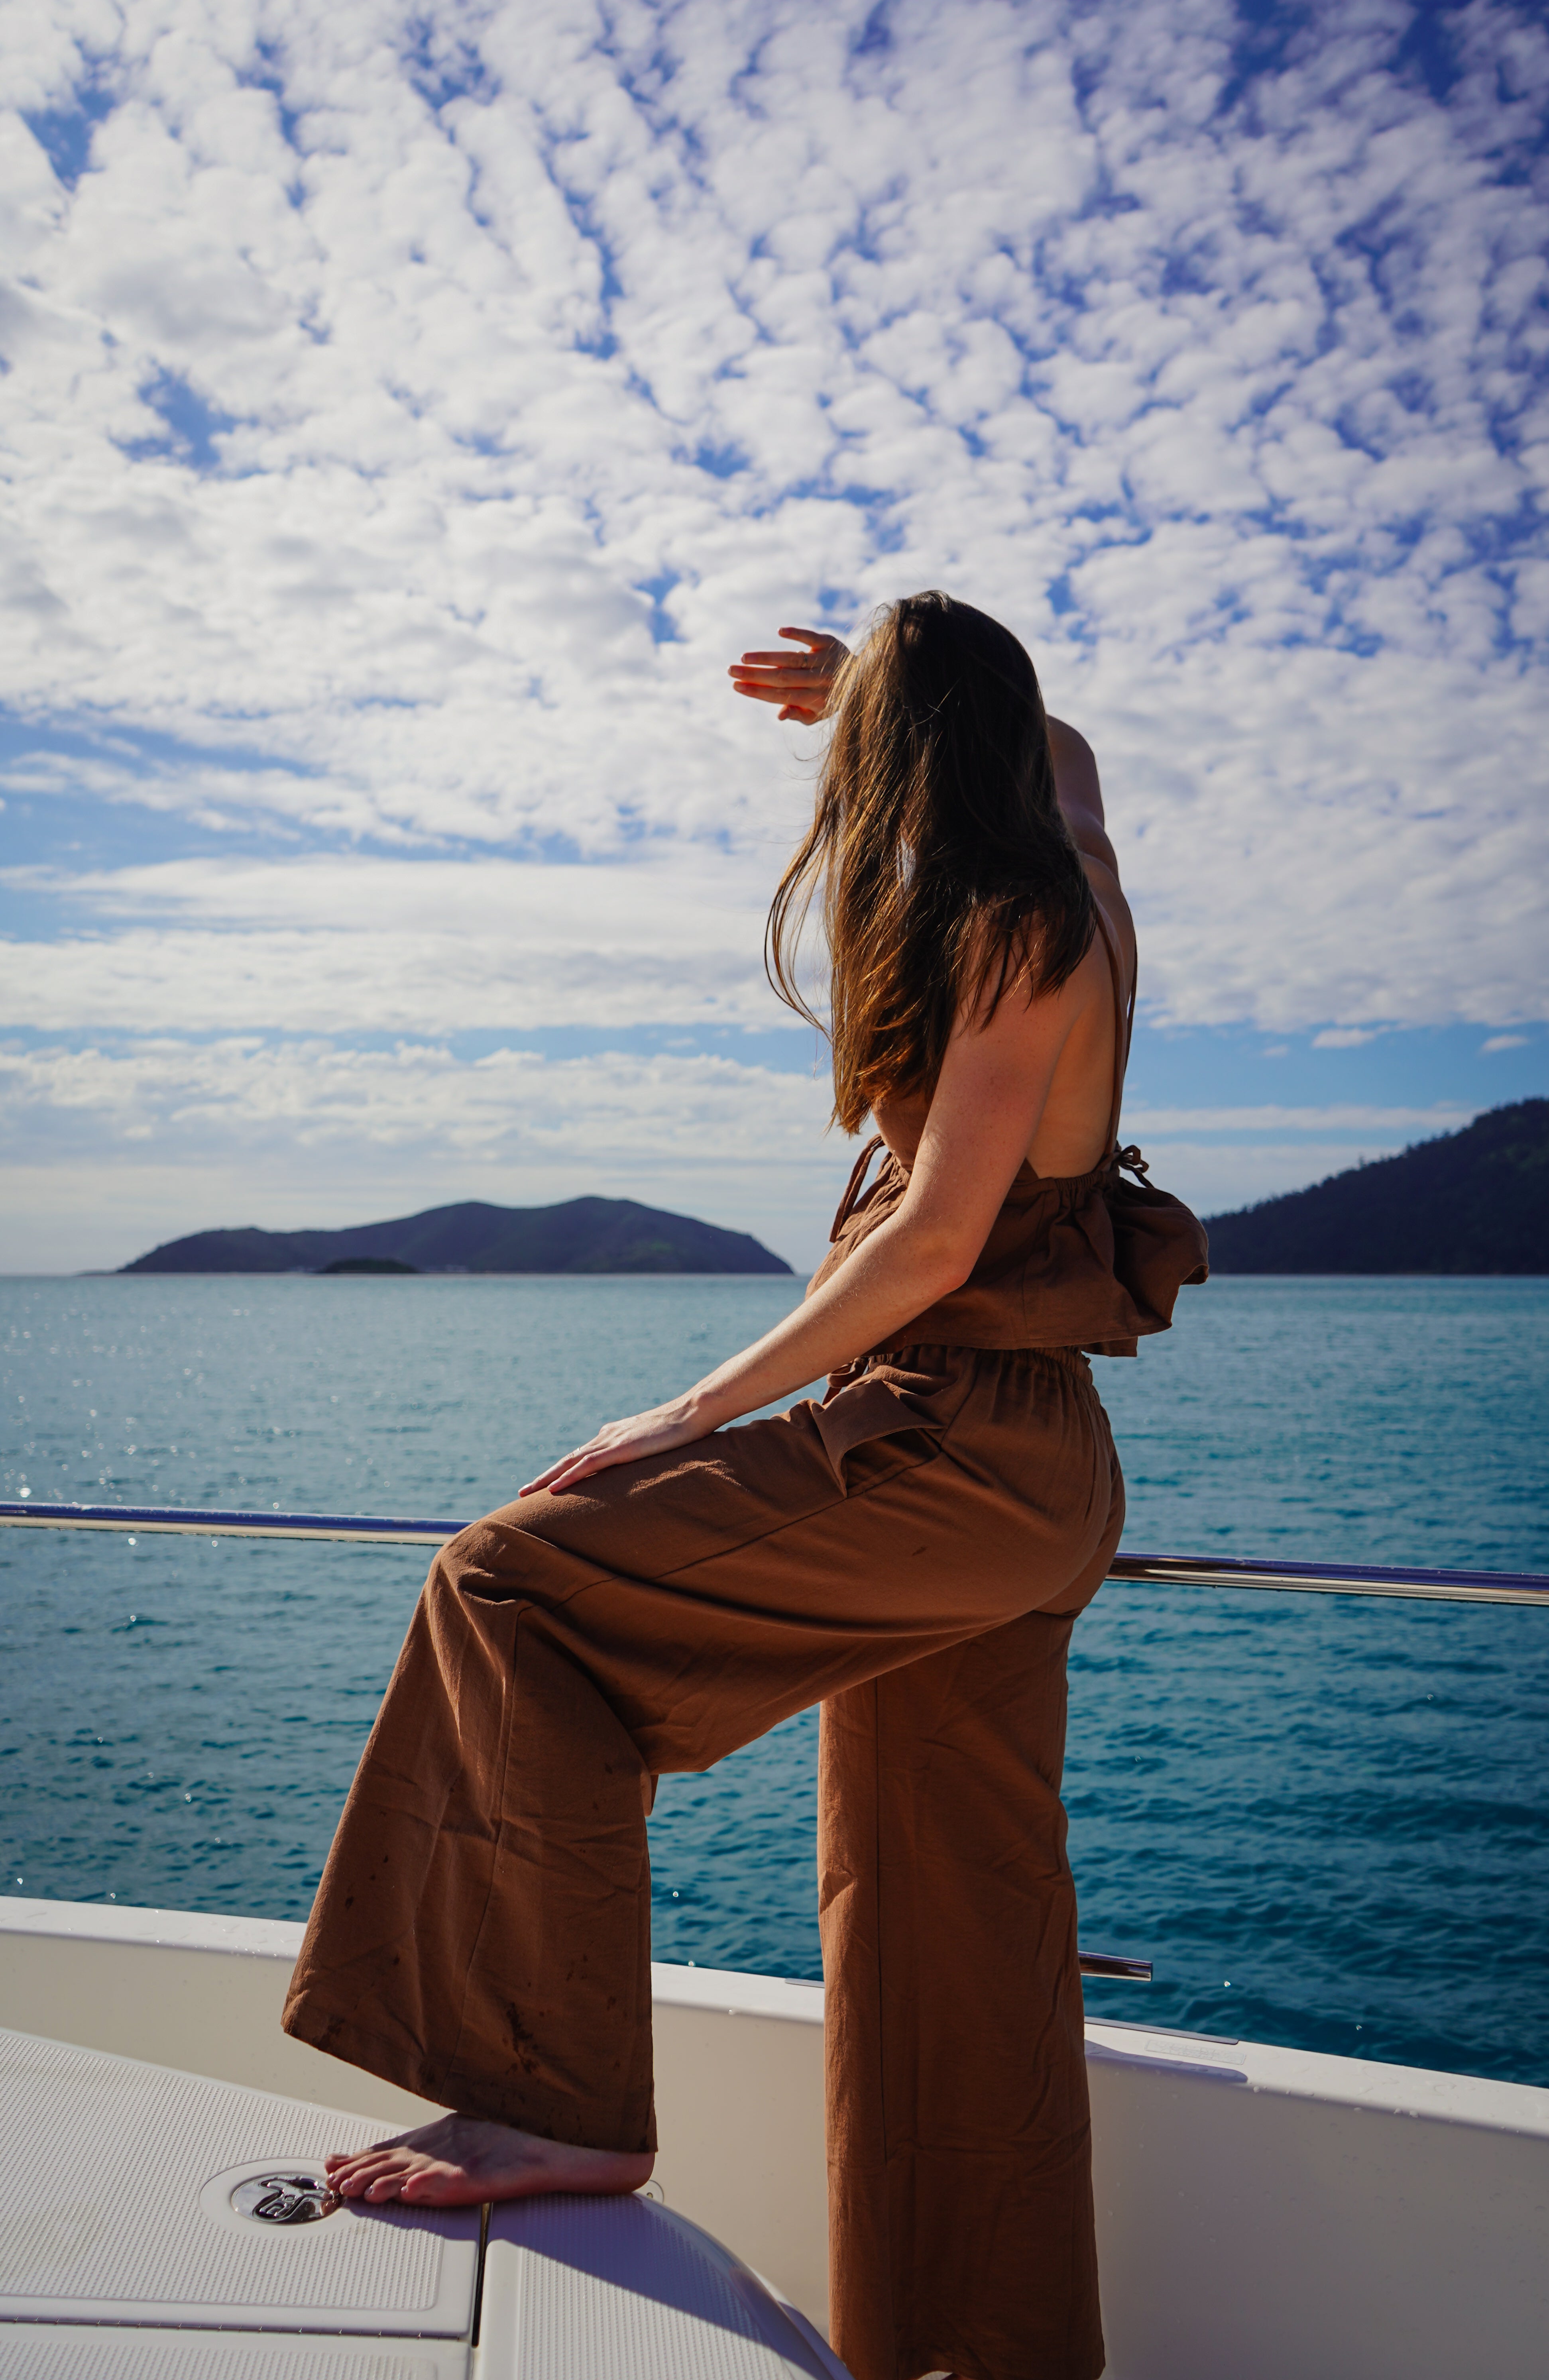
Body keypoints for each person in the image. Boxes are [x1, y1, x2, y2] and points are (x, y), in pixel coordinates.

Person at [282, 593, 1208, 2380]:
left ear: (902, 764)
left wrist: (684, 1411)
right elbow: (1069, 756)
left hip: (946, 1436)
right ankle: (975, 2356)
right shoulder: (1079, 871)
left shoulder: (1010, 921)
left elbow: (937, 1239)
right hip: (1036, 1477)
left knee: (509, 1583)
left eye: (864, 754)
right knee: (946, 1923)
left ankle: (555, 2098)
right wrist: (887, 677)